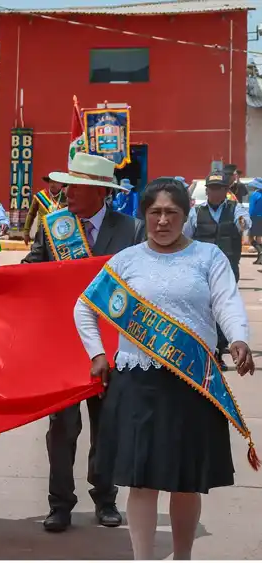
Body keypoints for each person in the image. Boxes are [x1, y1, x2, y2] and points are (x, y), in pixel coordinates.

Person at [75, 177, 256, 560]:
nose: (162, 221)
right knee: (141, 481)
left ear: (185, 216)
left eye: (171, 213)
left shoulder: (208, 258)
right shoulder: (127, 261)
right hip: (138, 383)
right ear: (144, 216)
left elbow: (227, 302)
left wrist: (238, 338)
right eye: (154, 212)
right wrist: (97, 354)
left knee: (186, 481)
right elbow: (84, 308)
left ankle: (182, 556)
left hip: (192, 383)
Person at [22, 152, 143, 533]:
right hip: (65, 346)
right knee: (62, 428)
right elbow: (32, 270)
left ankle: (105, 499)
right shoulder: (54, 225)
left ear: (97, 191)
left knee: (107, 426)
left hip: (114, 346)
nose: (65, 191)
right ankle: (60, 503)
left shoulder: (132, 229)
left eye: (74, 185)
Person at [182, 171, 251, 369]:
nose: (214, 193)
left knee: (222, 308)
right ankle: (206, 350)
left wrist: (242, 225)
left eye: (219, 189)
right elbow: (186, 234)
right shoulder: (197, 212)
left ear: (225, 191)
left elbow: (245, 223)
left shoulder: (235, 209)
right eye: (211, 189)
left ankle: (219, 351)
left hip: (228, 266)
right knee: (204, 309)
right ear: (207, 191)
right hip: (200, 267)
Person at [23, 176, 67, 245]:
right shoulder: (40, 196)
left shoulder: (66, 198)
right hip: (42, 234)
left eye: (56, 182)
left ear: (62, 184)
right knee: (36, 254)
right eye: (51, 181)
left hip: (60, 235)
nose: (53, 184)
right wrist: (26, 232)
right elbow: (31, 214)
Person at [248, 178, 262, 264]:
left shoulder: (255, 195)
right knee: (259, 238)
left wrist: (248, 217)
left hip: (255, 218)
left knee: (250, 238)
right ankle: (260, 259)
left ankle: (260, 252)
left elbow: (252, 209)